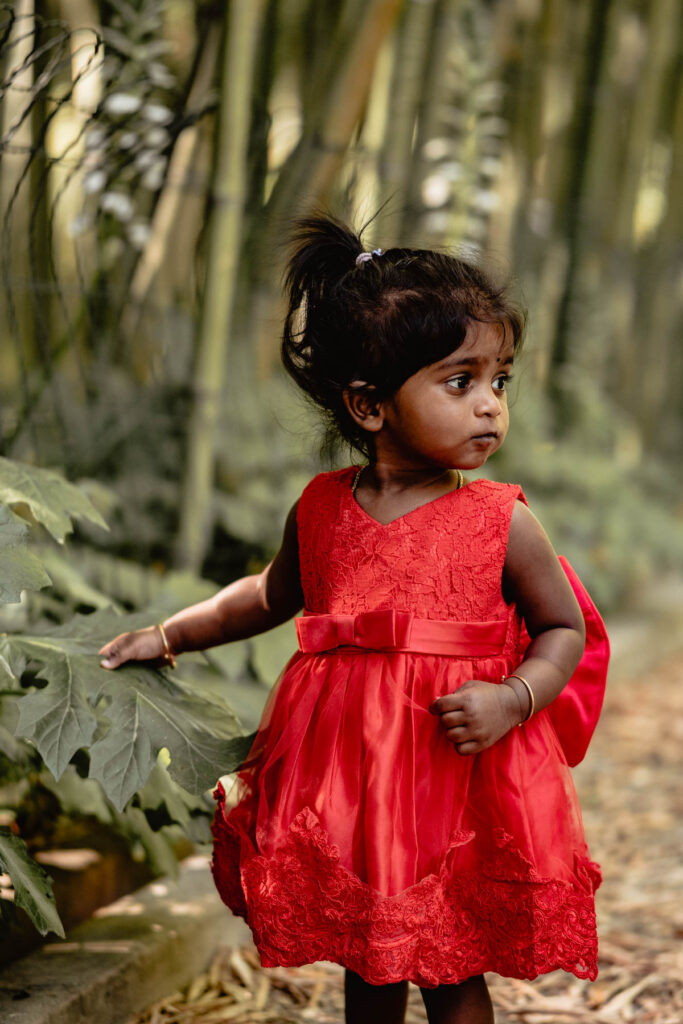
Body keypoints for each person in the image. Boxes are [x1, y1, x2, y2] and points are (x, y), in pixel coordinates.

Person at [99, 216, 609, 1024]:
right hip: (347, 769)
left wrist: (513, 697)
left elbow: (563, 630)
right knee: (368, 955)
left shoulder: (500, 519)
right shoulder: (322, 509)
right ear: (368, 405)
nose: (489, 408)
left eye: (498, 381)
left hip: (452, 768)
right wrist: (169, 634)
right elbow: (267, 596)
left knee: (448, 961)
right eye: (459, 382)